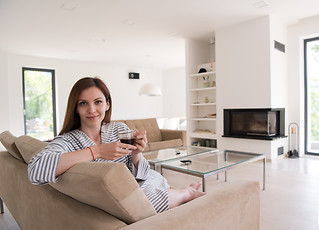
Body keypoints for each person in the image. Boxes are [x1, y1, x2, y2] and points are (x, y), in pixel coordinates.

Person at [27, 77, 205, 213]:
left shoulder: (118, 129)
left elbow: (141, 172)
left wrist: (136, 153)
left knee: (149, 187)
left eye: (98, 102)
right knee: (140, 204)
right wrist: (96, 151)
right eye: (83, 103)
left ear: (107, 104)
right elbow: (35, 171)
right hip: (117, 198)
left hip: (139, 183)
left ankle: (175, 192)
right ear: (76, 108)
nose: (92, 110)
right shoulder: (67, 141)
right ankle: (184, 193)